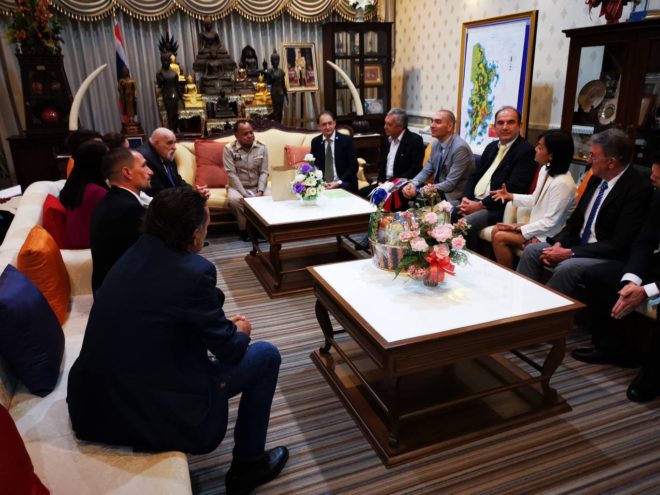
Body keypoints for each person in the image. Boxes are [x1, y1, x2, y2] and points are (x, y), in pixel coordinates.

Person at [68, 188, 288, 495]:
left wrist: (216, 322)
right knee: (265, 355)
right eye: (207, 227)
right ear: (196, 235)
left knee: (216, 315)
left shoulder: (135, 252)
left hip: (95, 402)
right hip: (146, 406)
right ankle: (248, 467)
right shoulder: (194, 272)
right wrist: (240, 332)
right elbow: (229, 351)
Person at [517, 128, 652, 298]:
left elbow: (619, 244)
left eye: (593, 156)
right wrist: (558, 244)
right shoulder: (596, 179)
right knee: (532, 251)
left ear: (611, 162)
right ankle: (521, 300)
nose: (588, 160)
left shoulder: (637, 189)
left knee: (566, 268)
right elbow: (575, 222)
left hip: (603, 254)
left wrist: (570, 252)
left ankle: (547, 311)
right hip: (577, 245)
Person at [572, 152, 660, 402]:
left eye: (658, 178)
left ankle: (652, 376)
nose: (652, 180)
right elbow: (644, 241)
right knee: (598, 276)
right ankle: (613, 348)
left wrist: (647, 291)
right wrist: (632, 281)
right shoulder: (658, 196)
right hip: (655, 264)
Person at [489, 130, 577, 269]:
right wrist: (510, 196)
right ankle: (507, 270)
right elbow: (534, 199)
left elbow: (551, 223)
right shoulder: (545, 170)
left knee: (500, 236)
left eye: (540, 147)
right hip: (538, 227)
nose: (535, 149)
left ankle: (510, 276)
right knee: (496, 230)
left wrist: (519, 227)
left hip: (548, 236)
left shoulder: (563, 183)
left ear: (551, 155)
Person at [453, 106, 536, 249]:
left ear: (519, 126)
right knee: (449, 212)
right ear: (495, 126)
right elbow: (474, 176)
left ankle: (470, 260)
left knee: (464, 225)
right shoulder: (491, 147)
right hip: (475, 200)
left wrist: (480, 205)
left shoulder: (526, 151)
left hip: (498, 207)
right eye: (500, 123)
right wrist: (466, 199)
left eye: (510, 122)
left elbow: (514, 188)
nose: (505, 127)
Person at [90, 147, 152, 293]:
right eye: (144, 166)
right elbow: (150, 258)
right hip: (123, 295)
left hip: (111, 289)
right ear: (127, 172)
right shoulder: (129, 209)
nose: (150, 172)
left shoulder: (112, 201)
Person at [402, 109, 474, 205]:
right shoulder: (436, 143)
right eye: (432, 121)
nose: (432, 125)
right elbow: (427, 170)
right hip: (437, 189)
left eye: (438, 122)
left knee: (415, 200)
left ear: (449, 126)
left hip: (453, 195)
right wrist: (412, 184)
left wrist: (421, 190)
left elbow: (450, 184)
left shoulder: (460, 148)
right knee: (403, 192)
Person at [359, 108, 425, 198]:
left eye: (389, 124)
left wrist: (393, 182)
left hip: (401, 186)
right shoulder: (388, 140)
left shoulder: (414, 141)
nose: (385, 127)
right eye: (385, 123)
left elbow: (415, 169)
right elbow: (382, 165)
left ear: (400, 126)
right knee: (360, 194)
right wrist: (380, 181)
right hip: (384, 184)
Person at [224, 120, 270, 241]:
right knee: (235, 200)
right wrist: (244, 194)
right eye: (245, 134)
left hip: (257, 185)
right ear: (236, 136)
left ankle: (263, 228)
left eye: (251, 132)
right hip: (238, 187)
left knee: (269, 197)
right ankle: (244, 229)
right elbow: (231, 174)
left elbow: (264, 171)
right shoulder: (229, 149)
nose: (250, 136)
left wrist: (260, 191)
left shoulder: (262, 147)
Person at [58, 140, 109, 249]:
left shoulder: (75, 186)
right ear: (99, 163)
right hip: (89, 246)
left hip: (76, 243)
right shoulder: (97, 192)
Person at [138, 127, 209, 199]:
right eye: (169, 143)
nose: (174, 147)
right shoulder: (145, 159)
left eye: (175, 142)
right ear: (156, 143)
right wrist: (189, 195)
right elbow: (158, 193)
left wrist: (194, 191)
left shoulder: (165, 153)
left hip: (170, 197)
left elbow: (177, 180)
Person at [311, 111, 359, 193]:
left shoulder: (346, 140)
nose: (327, 127)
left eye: (330, 123)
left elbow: (354, 166)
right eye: (324, 124)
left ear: (334, 123)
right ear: (319, 126)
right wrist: (321, 182)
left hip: (343, 182)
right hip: (323, 184)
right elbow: (314, 166)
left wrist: (338, 182)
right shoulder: (315, 142)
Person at [157, 53, 181, 132]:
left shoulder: (174, 73)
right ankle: (171, 130)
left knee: (175, 114)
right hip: (167, 95)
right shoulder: (160, 73)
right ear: (162, 62)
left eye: (168, 61)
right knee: (170, 114)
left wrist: (181, 98)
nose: (166, 63)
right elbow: (160, 86)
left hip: (175, 95)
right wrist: (161, 80)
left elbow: (178, 87)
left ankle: (176, 129)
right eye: (164, 61)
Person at [267, 49, 287, 122]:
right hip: (274, 92)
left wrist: (286, 95)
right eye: (274, 60)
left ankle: (279, 124)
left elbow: (283, 84)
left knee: (280, 110)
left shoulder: (281, 71)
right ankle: (276, 124)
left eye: (277, 60)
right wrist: (271, 78)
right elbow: (268, 83)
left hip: (281, 92)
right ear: (271, 61)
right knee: (275, 110)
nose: (276, 62)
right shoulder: (270, 71)